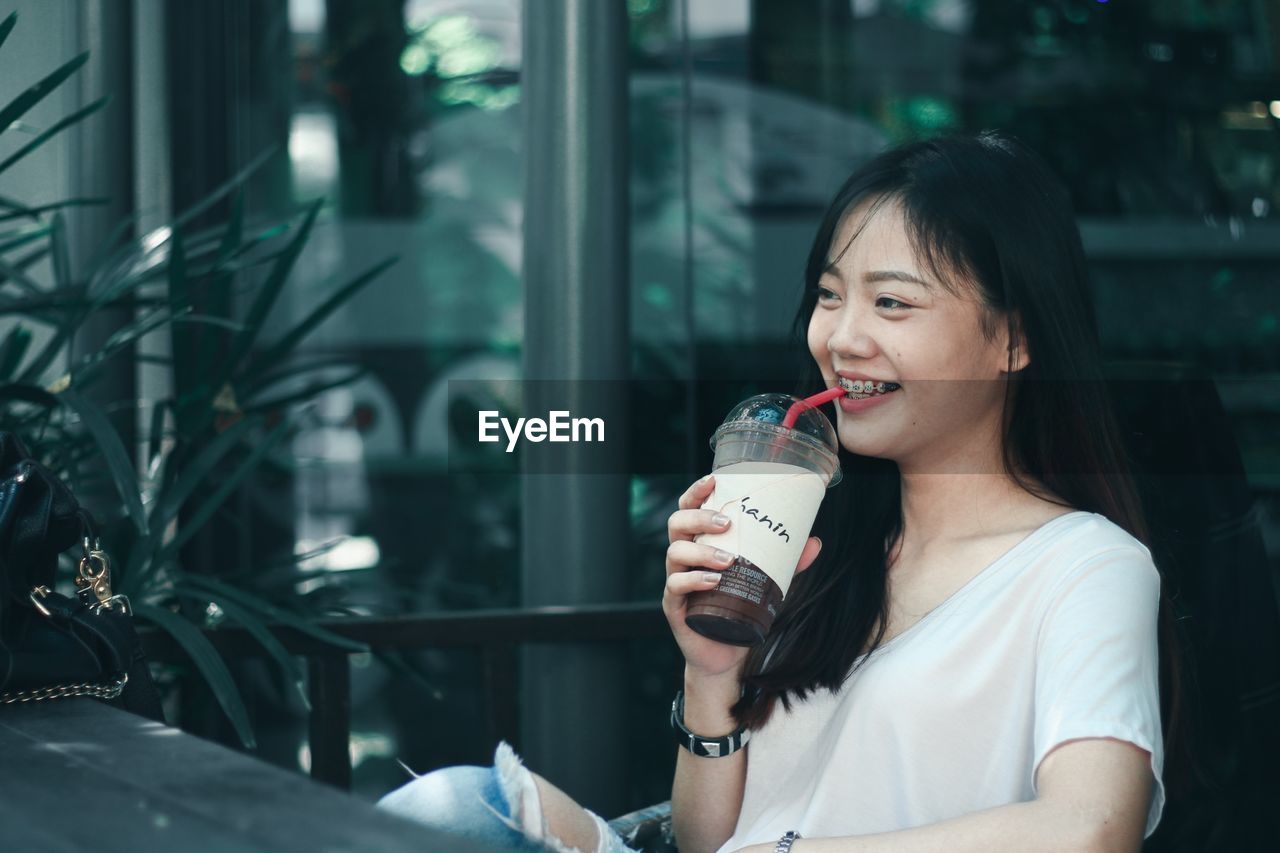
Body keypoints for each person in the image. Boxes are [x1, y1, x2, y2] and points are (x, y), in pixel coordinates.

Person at [377, 131, 1182, 853]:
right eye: (831, 295)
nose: (840, 336)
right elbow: (706, 839)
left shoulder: (1087, 566)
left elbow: (1091, 826)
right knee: (450, 810)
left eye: (892, 302)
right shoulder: (819, 546)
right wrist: (713, 671)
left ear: (1013, 338)